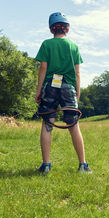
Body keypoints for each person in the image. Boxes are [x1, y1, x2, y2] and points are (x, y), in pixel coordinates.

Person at [34, 12, 91, 174]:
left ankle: (46, 165)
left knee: (47, 124)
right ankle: (83, 165)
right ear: (67, 29)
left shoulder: (46, 44)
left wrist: (39, 91)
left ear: (52, 29)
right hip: (68, 87)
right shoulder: (73, 46)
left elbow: (43, 69)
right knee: (73, 125)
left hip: (50, 86)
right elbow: (77, 73)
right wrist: (77, 93)